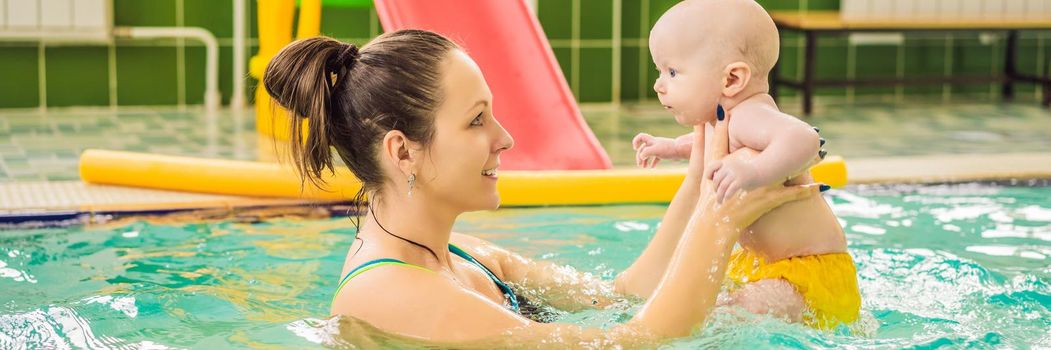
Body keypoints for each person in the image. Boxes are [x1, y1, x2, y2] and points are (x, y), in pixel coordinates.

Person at [263, 29, 825, 346]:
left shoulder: (462, 257)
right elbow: (630, 344)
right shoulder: (386, 293)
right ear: (402, 151)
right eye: (477, 119)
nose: (504, 138)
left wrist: (699, 182)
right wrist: (718, 219)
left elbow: (621, 298)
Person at [631, 0, 859, 328]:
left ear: (732, 80)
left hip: (808, 272)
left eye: (672, 72)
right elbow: (709, 148)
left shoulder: (750, 114)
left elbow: (804, 138)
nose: (659, 84)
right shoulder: (723, 119)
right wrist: (669, 147)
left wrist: (752, 171)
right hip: (766, 266)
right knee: (708, 304)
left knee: (724, 315)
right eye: (659, 71)